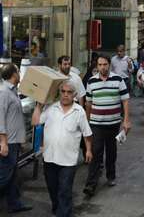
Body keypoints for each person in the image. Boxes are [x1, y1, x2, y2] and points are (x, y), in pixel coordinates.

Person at [32, 81, 93, 217]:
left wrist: (88, 150)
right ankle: (58, 209)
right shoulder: (51, 108)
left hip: (68, 161)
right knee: (53, 189)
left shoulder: (79, 112)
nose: (65, 95)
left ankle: (63, 213)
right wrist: (39, 105)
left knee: (64, 191)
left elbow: (87, 133)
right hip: (49, 158)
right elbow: (35, 122)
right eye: (63, 91)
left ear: (74, 95)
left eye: (69, 92)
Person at [84, 54, 131, 196]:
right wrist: (87, 122)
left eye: (105, 64)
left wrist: (126, 120)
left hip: (113, 123)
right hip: (96, 123)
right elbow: (89, 103)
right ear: (96, 66)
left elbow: (125, 101)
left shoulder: (118, 79)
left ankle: (111, 176)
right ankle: (91, 184)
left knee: (111, 151)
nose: (102, 67)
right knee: (96, 152)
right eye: (100, 65)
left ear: (109, 65)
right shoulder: (91, 81)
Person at [0, 64, 32, 213]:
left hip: (14, 141)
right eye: (18, 71)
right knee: (4, 176)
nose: (20, 73)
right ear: (13, 74)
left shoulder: (12, 91)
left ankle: (14, 204)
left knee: (12, 175)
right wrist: (3, 142)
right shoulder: (4, 92)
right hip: (8, 143)